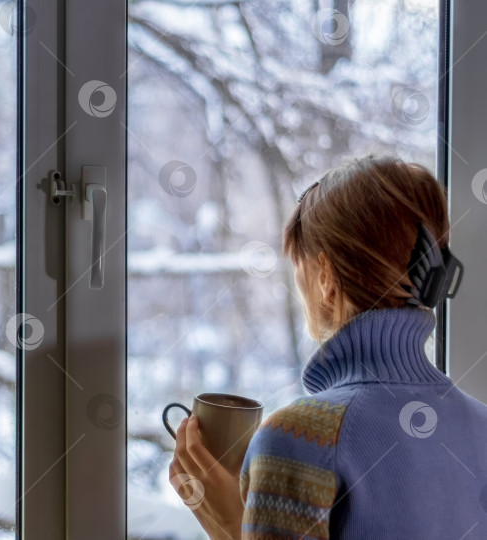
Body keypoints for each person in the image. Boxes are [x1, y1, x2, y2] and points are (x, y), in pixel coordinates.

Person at [169, 154, 487, 539]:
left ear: (325, 278)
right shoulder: (480, 426)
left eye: (299, 271)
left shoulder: (301, 437)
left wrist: (228, 525)